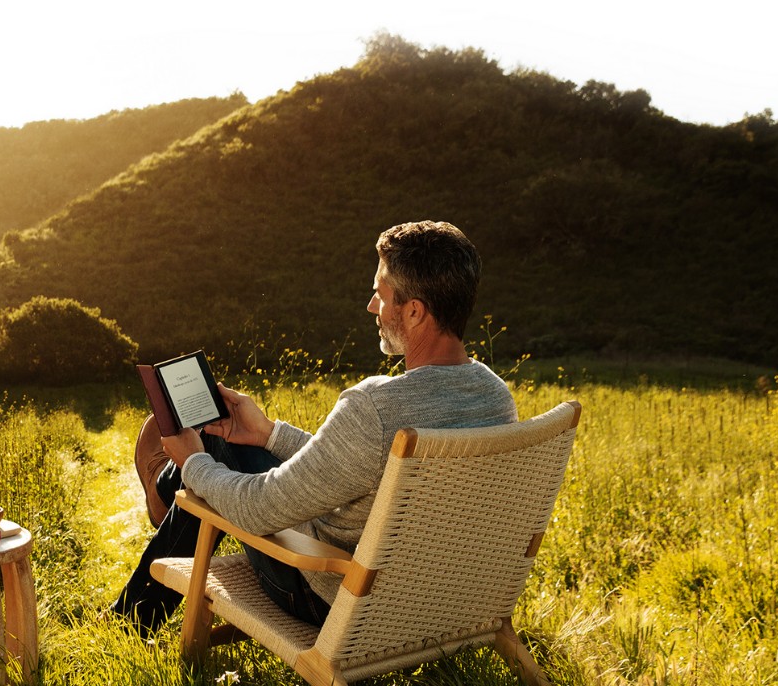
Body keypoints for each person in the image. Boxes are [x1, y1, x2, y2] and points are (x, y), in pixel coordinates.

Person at [109, 220, 519, 634]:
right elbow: (368, 470)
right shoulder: (495, 396)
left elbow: (258, 509)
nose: (371, 306)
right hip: (437, 605)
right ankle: (167, 492)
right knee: (227, 447)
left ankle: (135, 598)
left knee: (212, 451)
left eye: (380, 292)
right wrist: (269, 433)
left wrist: (194, 461)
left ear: (414, 311)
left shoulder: (374, 407)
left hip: (335, 601)